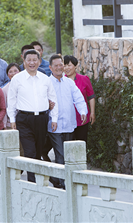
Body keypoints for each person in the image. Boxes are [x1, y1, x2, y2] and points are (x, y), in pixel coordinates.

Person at [7, 49, 58, 182]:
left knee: (38, 150)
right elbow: (11, 100)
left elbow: (53, 99)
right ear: (23, 61)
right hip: (24, 119)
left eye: (34, 60)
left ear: (39, 61)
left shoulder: (45, 79)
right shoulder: (17, 79)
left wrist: (54, 118)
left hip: (42, 118)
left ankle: (38, 179)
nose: (32, 63)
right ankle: (32, 181)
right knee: (29, 151)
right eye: (28, 60)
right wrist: (12, 119)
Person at [47, 54, 88, 189]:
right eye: (56, 65)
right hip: (55, 126)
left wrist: (83, 111)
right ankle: (64, 182)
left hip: (69, 124)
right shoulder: (47, 83)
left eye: (61, 65)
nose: (59, 68)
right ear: (50, 68)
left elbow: (78, 97)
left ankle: (58, 179)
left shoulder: (69, 82)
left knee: (68, 154)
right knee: (60, 154)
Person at [64, 55, 96, 142]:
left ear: (75, 66)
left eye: (69, 65)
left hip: (82, 117)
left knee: (81, 142)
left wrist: (92, 113)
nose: (66, 68)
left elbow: (91, 97)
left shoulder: (84, 79)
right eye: (64, 65)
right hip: (67, 118)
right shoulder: (61, 81)